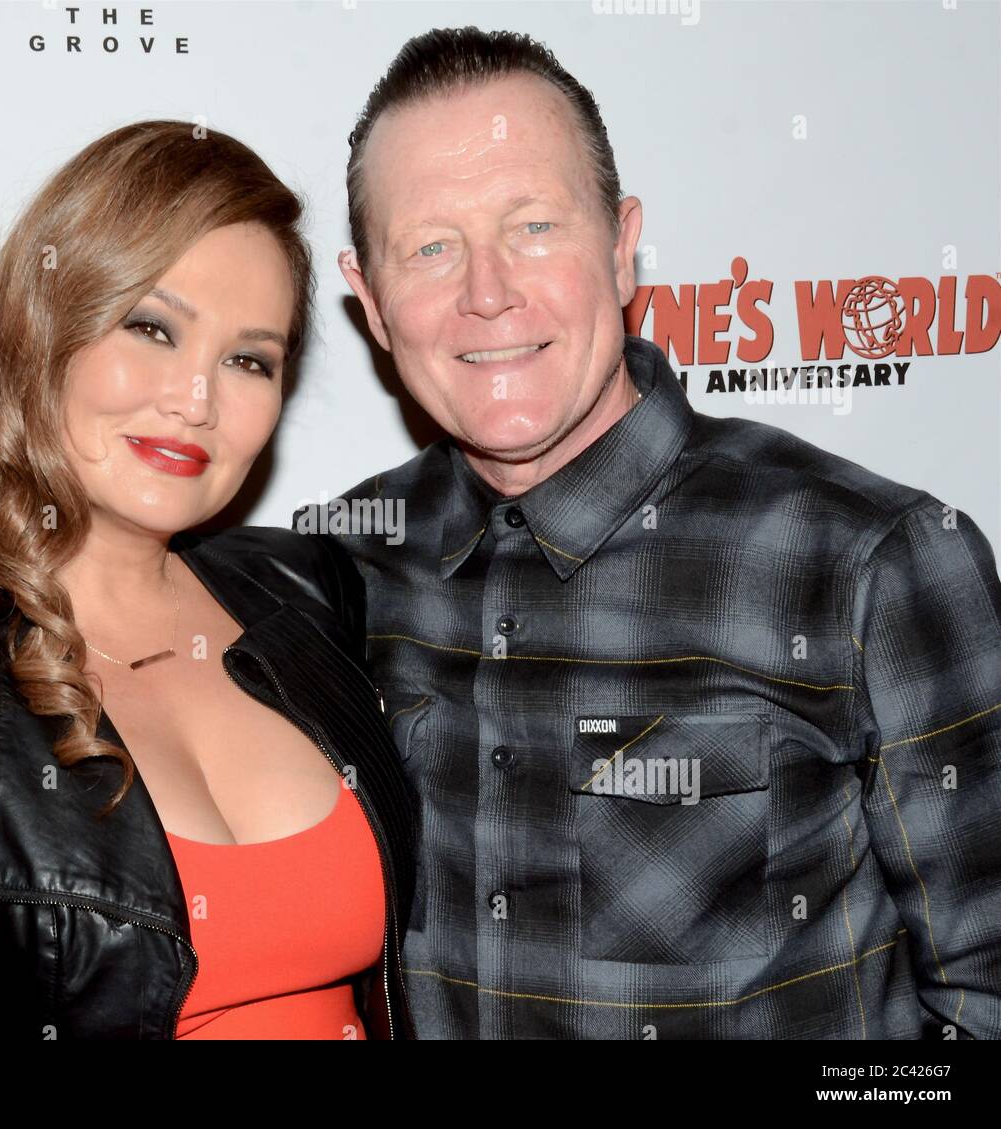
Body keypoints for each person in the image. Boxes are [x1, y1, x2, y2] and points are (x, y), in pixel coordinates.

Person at [307, 27, 1001, 1039]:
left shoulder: (868, 561)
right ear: (370, 299)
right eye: (430, 248)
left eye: (534, 226)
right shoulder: (337, 568)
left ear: (622, 243)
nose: (487, 293)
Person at [0, 120, 416, 1040]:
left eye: (248, 359)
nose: (197, 399)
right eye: (152, 327)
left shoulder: (306, 592)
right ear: (43, 330)